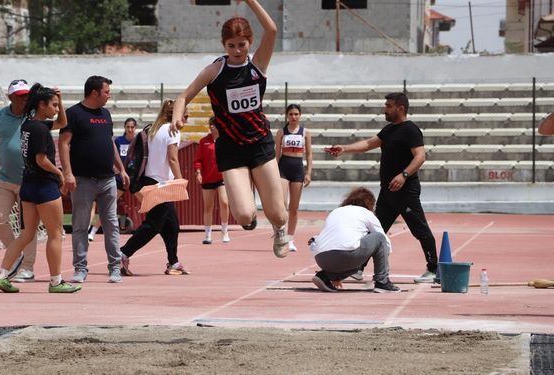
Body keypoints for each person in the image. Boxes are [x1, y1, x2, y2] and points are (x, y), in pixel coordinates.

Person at [170, 0, 290, 257]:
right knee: (245, 215)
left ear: (250, 42)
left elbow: (272, 31)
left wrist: (250, 2)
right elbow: (183, 96)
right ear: (224, 45)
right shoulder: (215, 70)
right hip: (231, 149)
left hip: (260, 143)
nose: (237, 50)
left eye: (242, 45)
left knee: (278, 213)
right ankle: (254, 204)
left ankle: (279, 228)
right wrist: (177, 118)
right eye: (231, 46)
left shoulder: (257, 65)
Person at [325, 92, 438, 284]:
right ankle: (358, 268)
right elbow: (369, 143)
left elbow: (420, 156)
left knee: (419, 229)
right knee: (375, 231)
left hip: (406, 191)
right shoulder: (388, 130)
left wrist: (403, 175)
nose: (384, 109)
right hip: (387, 192)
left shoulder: (411, 130)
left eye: (388, 106)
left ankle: (434, 269)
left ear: (400, 108)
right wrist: (345, 148)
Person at [0, 83, 80, 293]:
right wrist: (59, 174)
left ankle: (2, 275)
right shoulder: (40, 129)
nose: (57, 109)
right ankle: (56, 281)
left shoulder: (29, 125)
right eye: (54, 105)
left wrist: (60, 98)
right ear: (42, 105)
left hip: (27, 187)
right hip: (43, 187)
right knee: (55, 234)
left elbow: (62, 122)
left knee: (26, 234)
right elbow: (41, 159)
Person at [58, 75, 128, 284]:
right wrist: (68, 174)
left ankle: (115, 267)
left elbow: (110, 142)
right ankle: (80, 268)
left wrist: (121, 168)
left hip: (107, 179)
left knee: (111, 224)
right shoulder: (74, 114)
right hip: (82, 180)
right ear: (94, 92)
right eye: (107, 92)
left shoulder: (105, 114)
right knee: (80, 225)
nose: (109, 96)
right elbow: (63, 144)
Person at [120, 99, 189, 276]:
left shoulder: (154, 129)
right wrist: (181, 181)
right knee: (153, 225)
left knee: (171, 224)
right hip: (162, 184)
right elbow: (173, 159)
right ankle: (123, 253)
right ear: (176, 115)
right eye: (185, 115)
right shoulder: (173, 131)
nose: (187, 119)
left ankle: (173, 262)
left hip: (150, 181)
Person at [0, 79, 38, 283]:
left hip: (29, 181)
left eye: (27, 95)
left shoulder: (34, 116)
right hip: (4, 179)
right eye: (20, 96)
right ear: (10, 97)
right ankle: (16, 256)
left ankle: (28, 268)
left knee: (28, 227)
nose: (25, 99)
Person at [309, 187, 400, 293]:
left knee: (356, 264)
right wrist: (382, 256)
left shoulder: (335, 211)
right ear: (369, 204)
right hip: (347, 255)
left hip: (321, 258)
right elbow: (384, 241)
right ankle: (382, 282)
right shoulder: (366, 213)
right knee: (379, 238)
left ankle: (324, 276)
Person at [274, 103, 312, 252]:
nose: (294, 117)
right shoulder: (281, 132)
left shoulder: (305, 132)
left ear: (300, 115)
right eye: (291, 114)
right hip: (283, 167)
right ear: (287, 116)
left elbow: (309, 154)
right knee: (282, 204)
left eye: (296, 114)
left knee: (294, 208)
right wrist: (273, 171)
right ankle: (280, 233)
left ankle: (290, 239)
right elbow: (277, 154)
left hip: (297, 169)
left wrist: (308, 172)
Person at [194, 117, 230, 244]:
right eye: (211, 124)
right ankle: (208, 234)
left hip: (222, 177)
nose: (212, 126)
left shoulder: (225, 141)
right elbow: (198, 159)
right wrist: (198, 172)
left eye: (214, 124)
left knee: (224, 202)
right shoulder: (204, 141)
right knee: (208, 206)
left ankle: (225, 230)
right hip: (207, 178)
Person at [114, 118, 138, 233]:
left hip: (134, 178)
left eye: (132, 127)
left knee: (146, 201)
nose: (130, 129)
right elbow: (113, 156)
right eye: (127, 127)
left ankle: (156, 225)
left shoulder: (139, 141)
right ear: (124, 128)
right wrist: (116, 169)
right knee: (110, 203)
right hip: (120, 178)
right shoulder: (119, 141)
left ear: (135, 128)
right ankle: (93, 230)